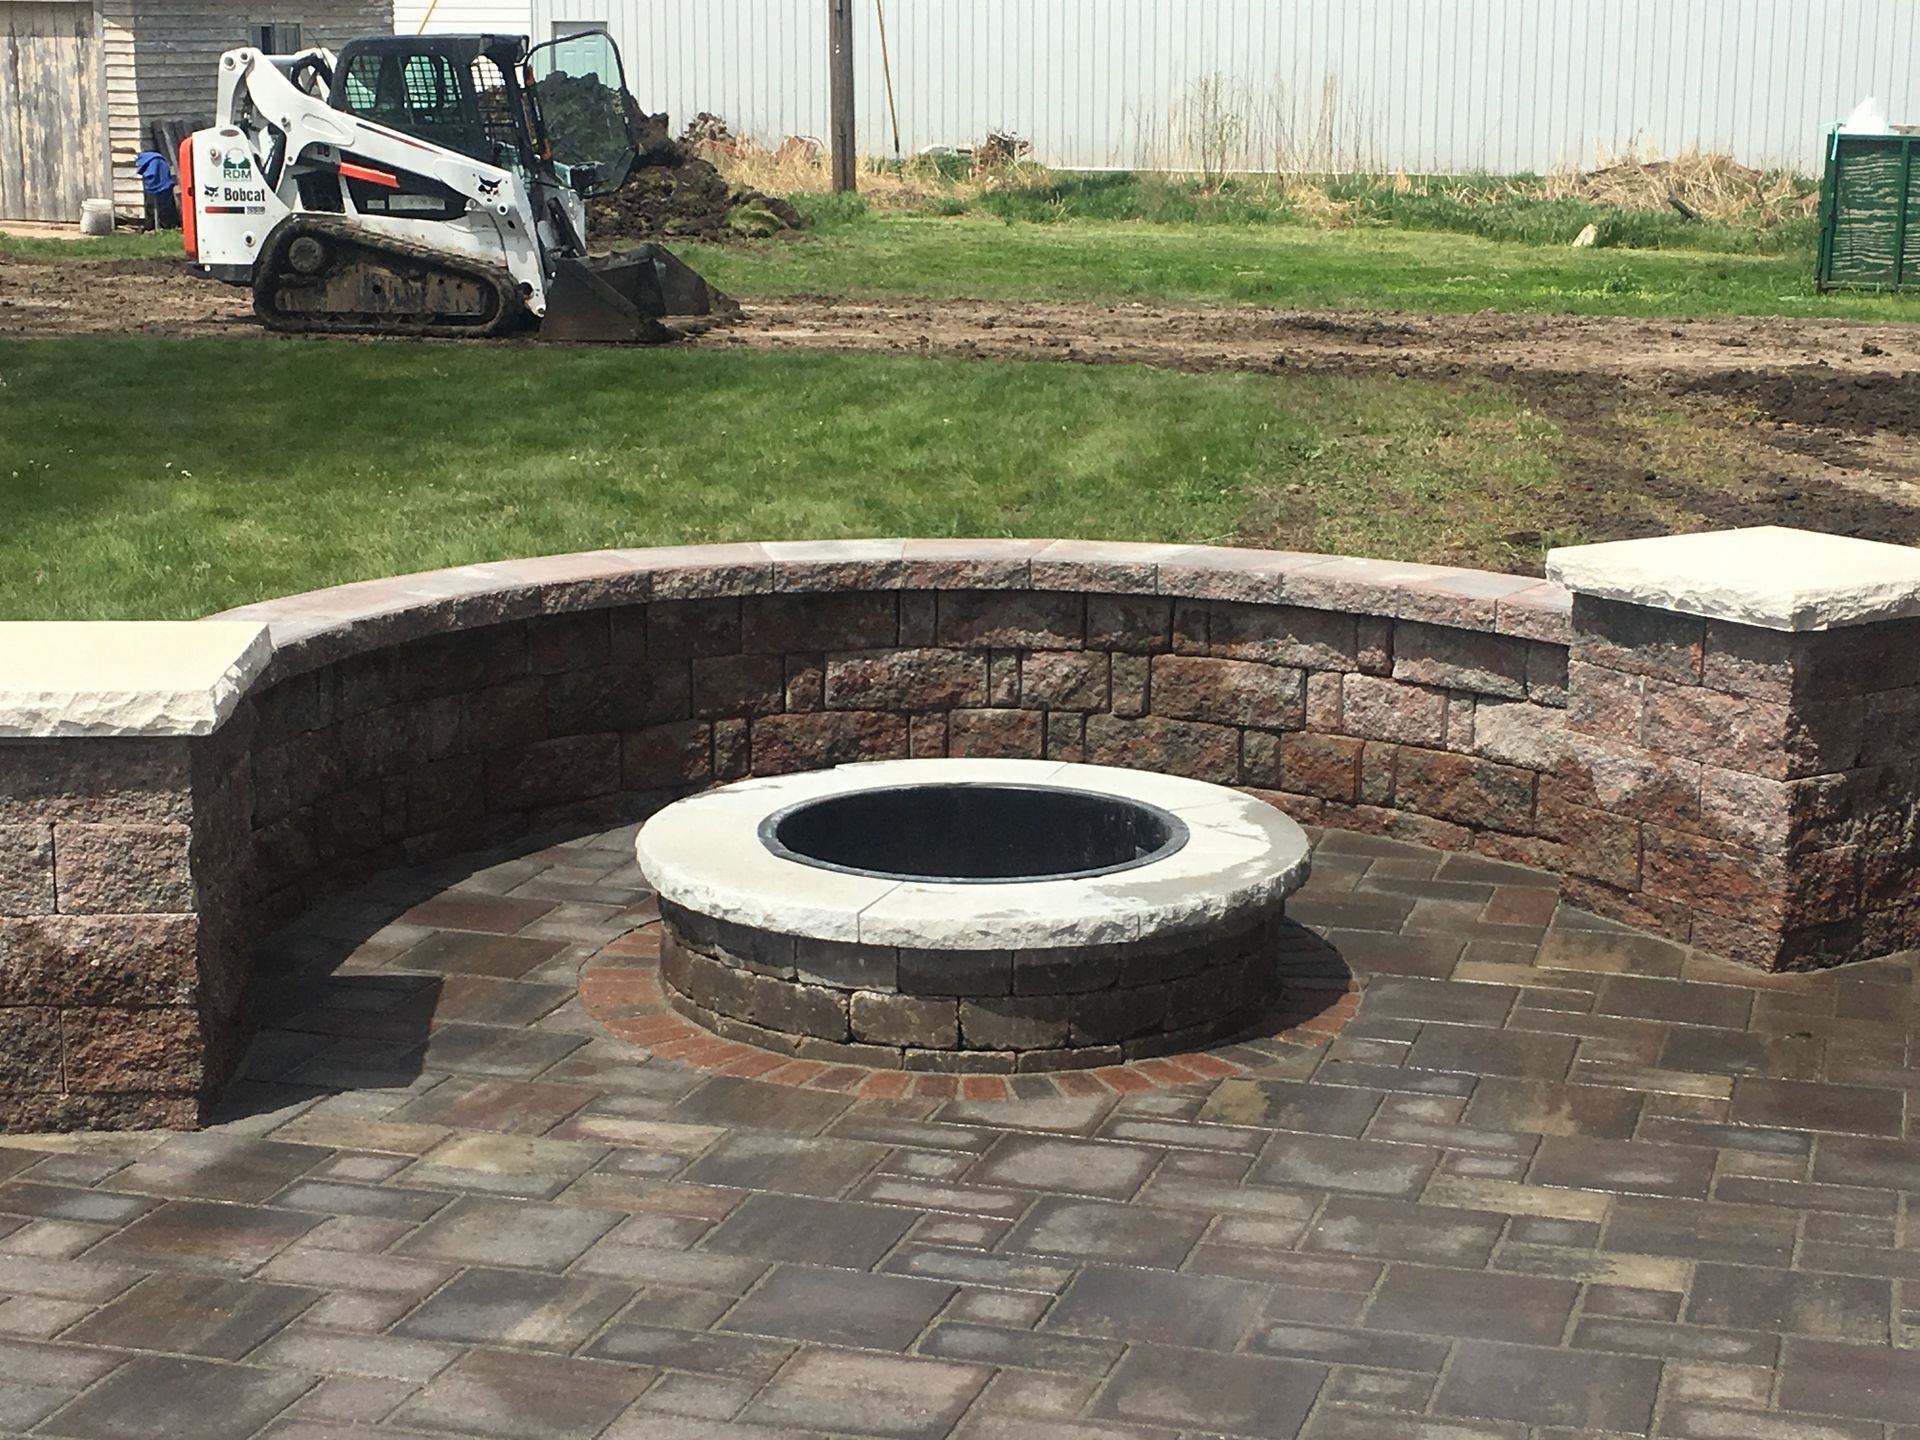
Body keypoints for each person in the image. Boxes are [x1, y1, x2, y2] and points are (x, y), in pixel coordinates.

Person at [133, 150, 180, 230]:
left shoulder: (149, 161)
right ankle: (166, 224)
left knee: (154, 206)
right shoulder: (158, 159)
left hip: (155, 187)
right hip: (164, 186)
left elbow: (148, 174)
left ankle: (157, 224)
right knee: (164, 206)